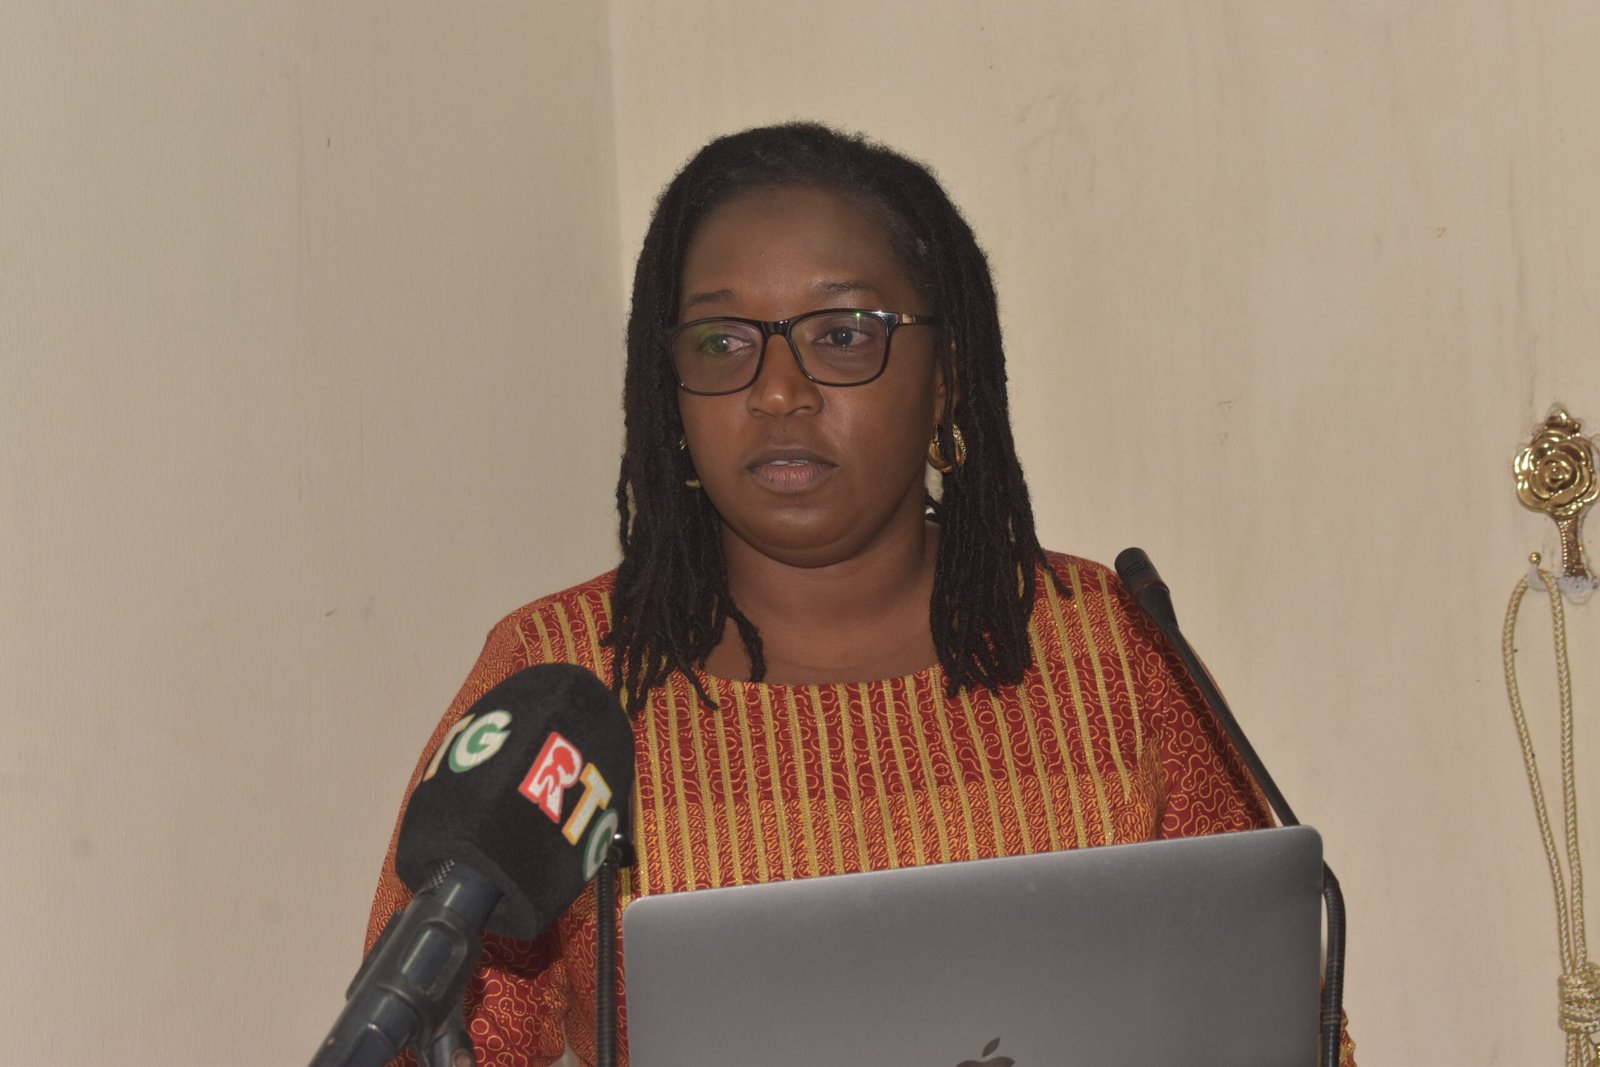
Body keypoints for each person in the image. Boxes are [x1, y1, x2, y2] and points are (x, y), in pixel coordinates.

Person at [365, 122, 1354, 1066]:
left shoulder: (1110, 650)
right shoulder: (563, 688)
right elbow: (421, 1036)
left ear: (947, 376)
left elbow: (1272, 1022)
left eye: (842, 334)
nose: (777, 391)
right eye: (721, 342)